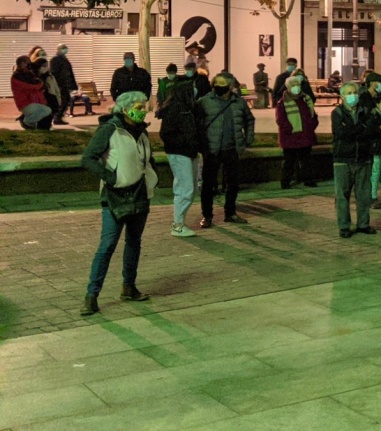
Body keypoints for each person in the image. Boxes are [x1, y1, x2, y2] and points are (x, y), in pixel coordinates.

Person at [78, 91, 156, 316]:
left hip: (140, 192)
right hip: (115, 195)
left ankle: (129, 287)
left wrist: (151, 175)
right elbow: (88, 158)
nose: (143, 111)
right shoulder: (109, 130)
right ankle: (92, 295)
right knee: (108, 245)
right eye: (139, 107)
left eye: (144, 107)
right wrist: (111, 177)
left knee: (134, 242)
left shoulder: (142, 132)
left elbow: (147, 158)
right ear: (124, 108)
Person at [197, 74, 256, 228]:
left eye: (222, 84)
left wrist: (248, 139)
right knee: (208, 185)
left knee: (233, 183)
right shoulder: (204, 102)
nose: (218, 86)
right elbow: (197, 124)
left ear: (230, 86)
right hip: (212, 150)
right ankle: (207, 216)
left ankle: (230, 213)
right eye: (216, 83)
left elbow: (249, 120)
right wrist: (201, 146)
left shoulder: (239, 103)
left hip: (232, 149)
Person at [332, 83, 378, 238]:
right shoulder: (337, 112)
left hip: (363, 158)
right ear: (342, 96)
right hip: (343, 159)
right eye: (349, 93)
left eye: (354, 92)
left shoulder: (365, 112)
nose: (353, 95)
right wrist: (360, 128)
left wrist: (354, 129)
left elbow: (371, 131)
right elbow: (341, 133)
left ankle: (363, 224)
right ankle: (344, 226)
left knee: (364, 195)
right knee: (342, 196)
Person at [157, 81, 202, 237]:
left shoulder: (188, 108)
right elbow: (166, 134)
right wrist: (186, 142)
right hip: (180, 152)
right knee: (186, 189)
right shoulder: (175, 109)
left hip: (190, 152)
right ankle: (177, 224)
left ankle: (179, 222)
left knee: (191, 188)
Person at [275, 76, 319, 190]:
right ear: (288, 87)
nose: (296, 87)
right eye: (293, 85)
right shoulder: (282, 102)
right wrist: (289, 129)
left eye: (297, 85)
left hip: (305, 134)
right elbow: (281, 119)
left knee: (306, 160)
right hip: (290, 137)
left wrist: (312, 125)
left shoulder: (305, 99)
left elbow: (312, 114)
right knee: (289, 161)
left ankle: (308, 180)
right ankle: (285, 182)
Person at [11, 57, 53, 130]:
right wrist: (40, 84)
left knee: (47, 111)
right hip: (25, 102)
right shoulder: (17, 76)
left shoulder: (28, 73)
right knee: (46, 110)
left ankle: (30, 124)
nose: (30, 64)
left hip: (33, 101)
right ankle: (27, 122)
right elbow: (30, 86)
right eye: (28, 63)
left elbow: (38, 83)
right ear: (22, 63)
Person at [50, 44, 77, 123]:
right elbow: (54, 72)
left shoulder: (64, 59)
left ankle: (58, 117)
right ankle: (57, 117)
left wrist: (72, 85)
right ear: (58, 49)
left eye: (65, 48)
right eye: (63, 48)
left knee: (66, 100)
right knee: (63, 100)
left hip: (65, 84)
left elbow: (69, 72)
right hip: (60, 84)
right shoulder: (56, 59)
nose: (65, 50)